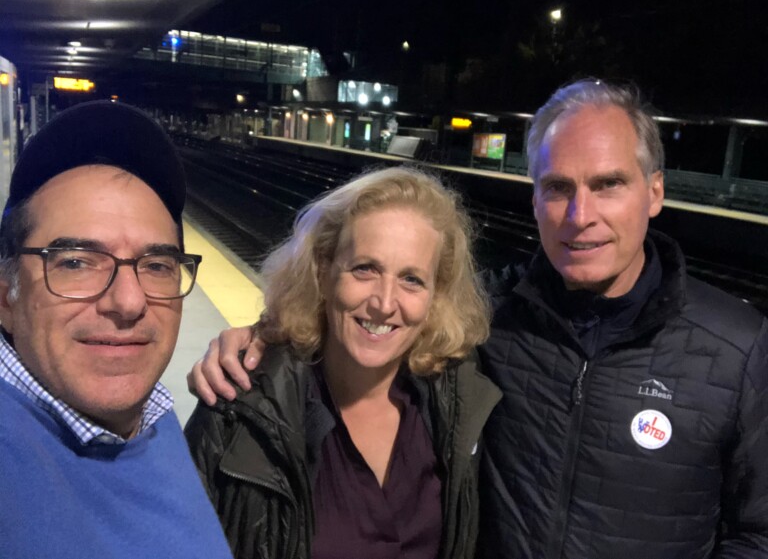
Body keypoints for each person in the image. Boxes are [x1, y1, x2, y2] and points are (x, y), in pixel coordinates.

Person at [191, 79, 768, 558]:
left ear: (655, 192)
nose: (581, 215)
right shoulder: (492, 318)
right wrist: (262, 336)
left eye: (608, 184)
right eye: (558, 187)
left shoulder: (738, 348)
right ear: (535, 198)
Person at [184, 166, 501, 559]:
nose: (385, 304)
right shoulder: (239, 408)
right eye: (365, 269)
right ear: (323, 270)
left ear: (436, 297)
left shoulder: (454, 407)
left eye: (412, 279)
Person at [0, 101, 234, 559]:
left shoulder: (148, 414)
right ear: (5, 295)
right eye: (75, 262)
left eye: (157, 265)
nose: (129, 302)